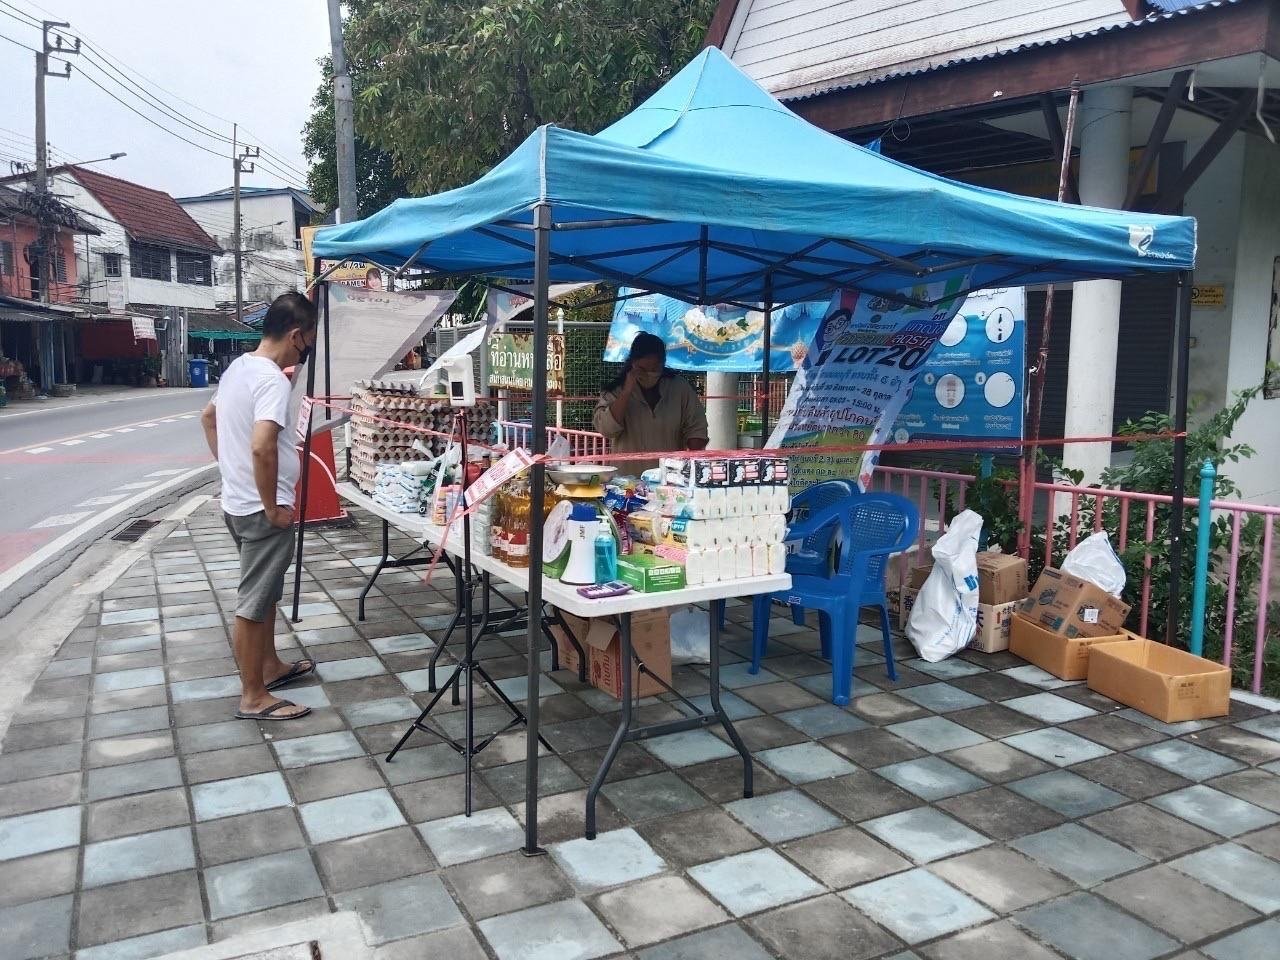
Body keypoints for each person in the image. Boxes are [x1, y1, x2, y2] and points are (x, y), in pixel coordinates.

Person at [200, 291, 318, 721]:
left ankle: (270, 666)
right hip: (260, 510)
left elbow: (208, 418)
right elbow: (263, 445)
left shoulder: (239, 367)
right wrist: (271, 506)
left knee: (265, 593)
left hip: (238, 502)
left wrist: (231, 471)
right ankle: (253, 696)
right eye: (308, 343)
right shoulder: (271, 379)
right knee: (253, 602)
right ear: (295, 335)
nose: (305, 352)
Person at [594, 332, 709, 470]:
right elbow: (606, 429)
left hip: (668, 476)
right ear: (632, 362)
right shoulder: (615, 391)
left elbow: (697, 427)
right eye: (642, 369)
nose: (649, 374)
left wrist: (694, 462)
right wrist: (626, 392)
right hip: (627, 478)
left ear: (663, 363)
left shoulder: (679, 388)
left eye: (654, 369)